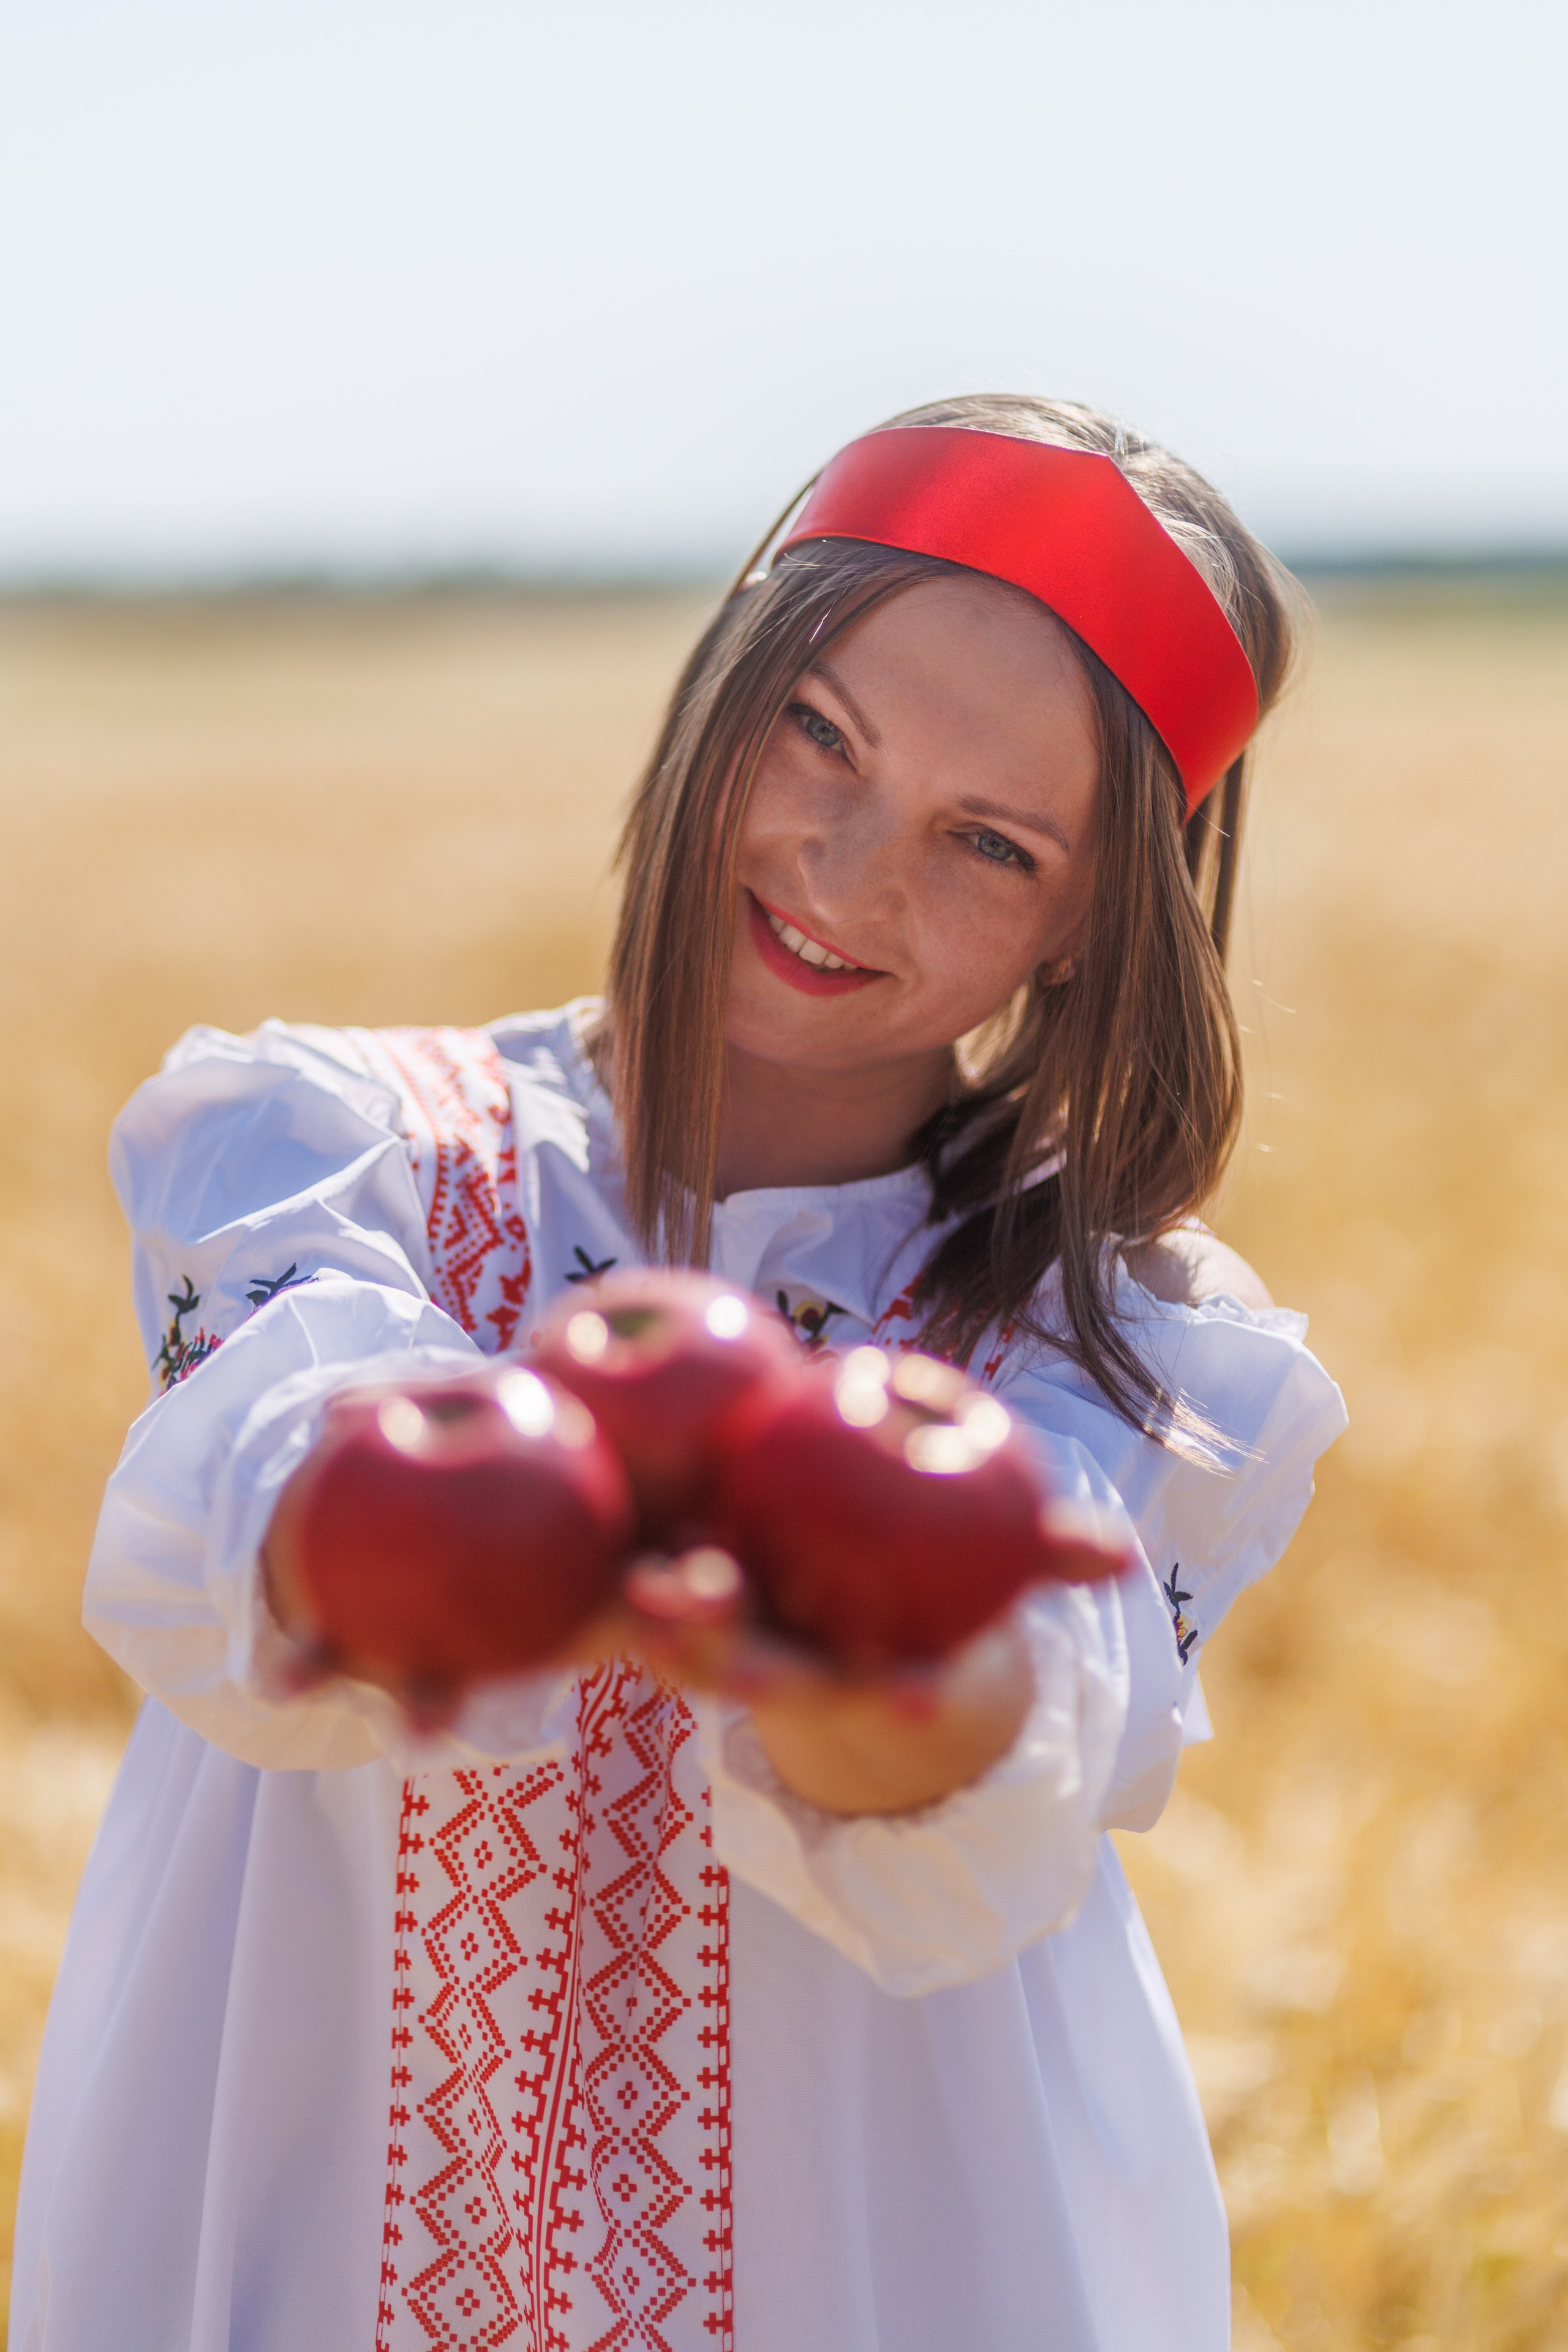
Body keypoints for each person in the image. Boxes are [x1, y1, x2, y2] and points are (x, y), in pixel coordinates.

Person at [10, 395, 1345, 2352]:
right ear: (722, 686)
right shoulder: (339, 1153)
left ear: (1092, 923)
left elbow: (999, 1748)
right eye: (820, 733)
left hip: (881, 2262)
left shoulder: (1120, 1341)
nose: (850, 871)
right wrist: (471, 1540)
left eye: (989, 843)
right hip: (316, 2189)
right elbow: (255, 1518)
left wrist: (845, 1660)